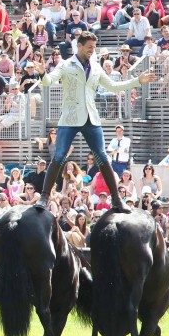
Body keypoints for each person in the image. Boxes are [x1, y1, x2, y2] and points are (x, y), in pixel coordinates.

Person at [36, 31, 156, 211]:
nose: (93, 50)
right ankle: (44, 198)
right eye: (89, 47)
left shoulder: (96, 67)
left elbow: (114, 86)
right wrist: (42, 73)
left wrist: (137, 81)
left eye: (94, 47)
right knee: (59, 156)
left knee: (102, 157)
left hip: (91, 118)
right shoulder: (66, 65)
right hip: (69, 118)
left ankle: (116, 199)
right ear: (80, 46)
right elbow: (48, 81)